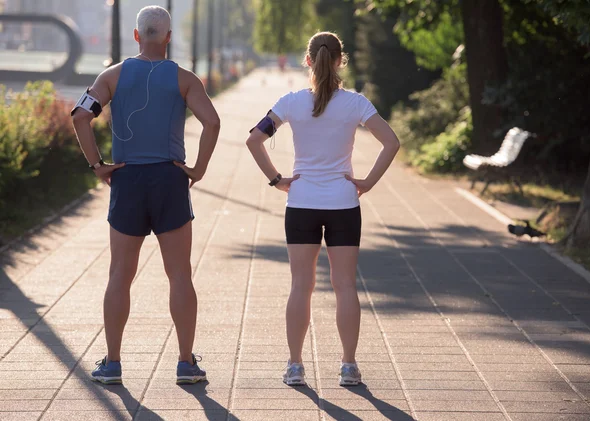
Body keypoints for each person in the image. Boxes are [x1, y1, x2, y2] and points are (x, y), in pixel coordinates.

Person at [71, 6, 220, 385]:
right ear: (168, 37)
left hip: (127, 181)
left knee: (120, 275)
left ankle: (113, 364)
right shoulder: (185, 79)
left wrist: (97, 165)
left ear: (137, 36)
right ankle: (186, 363)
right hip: (170, 180)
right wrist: (198, 169)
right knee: (180, 275)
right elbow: (212, 122)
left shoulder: (112, 76)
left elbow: (79, 117)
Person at [246, 32, 400, 386]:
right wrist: (368, 182)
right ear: (340, 60)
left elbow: (254, 139)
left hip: (300, 203)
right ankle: (348, 366)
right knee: (345, 285)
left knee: (301, 285)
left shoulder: (290, 102)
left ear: (308, 60)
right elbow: (391, 142)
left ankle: (295, 366)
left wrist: (277, 179)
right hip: (344, 203)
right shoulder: (356, 104)